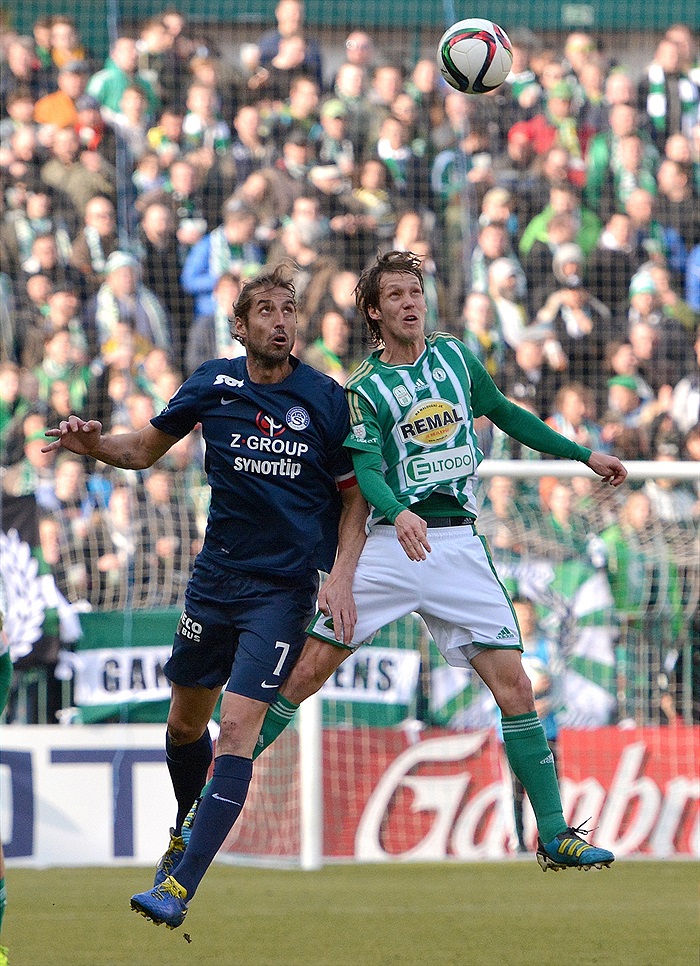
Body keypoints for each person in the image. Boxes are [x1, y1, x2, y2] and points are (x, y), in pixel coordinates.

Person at [252, 250, 626, 874]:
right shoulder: (365, 388)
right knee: (306, 674)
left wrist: (584, 456)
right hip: (391, 546)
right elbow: (365, 471)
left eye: (415, 291)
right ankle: (212, 792)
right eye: (395, 295)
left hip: (456, 547)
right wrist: (398, 511)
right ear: (374, 311)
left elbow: (506, 415)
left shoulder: (455, 357)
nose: (410, 302)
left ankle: (555, 834)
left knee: (517, 688)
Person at [42, 264, 367, 928]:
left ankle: (180, 886)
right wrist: (94, 446)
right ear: (240, 326)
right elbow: (143, 450)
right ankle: (182, 832)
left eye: (289, 310)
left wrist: (339, 574)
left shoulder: (326, 398)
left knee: (239, 730)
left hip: (280, 593)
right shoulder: (212, 384)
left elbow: (354, 495)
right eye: (267, 311)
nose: (281, 321)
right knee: (185, 725)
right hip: (213, 583)